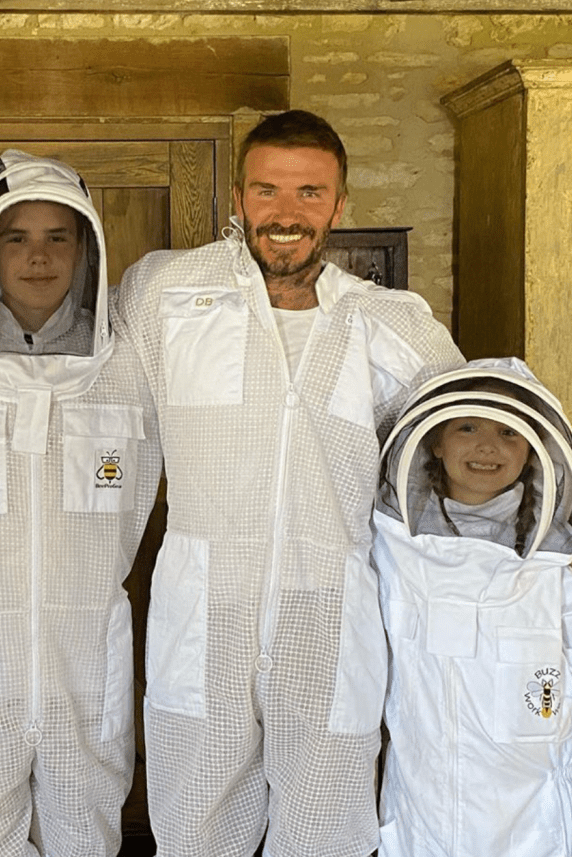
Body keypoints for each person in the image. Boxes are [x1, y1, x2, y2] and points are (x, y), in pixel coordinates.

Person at [114, 109, 465, 857]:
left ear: (341, 204)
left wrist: (565, 528)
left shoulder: (391, 325)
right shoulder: (167, 296)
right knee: (196, 829)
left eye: (310, 193)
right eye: (267, 190)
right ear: (237, 199)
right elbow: (98, 410)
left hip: (331, 619)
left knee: (327, 834)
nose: (286, 214)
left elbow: (473, 449)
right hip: (202, 612)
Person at [0, 150, 162, 857]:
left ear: (86, 250)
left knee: (85, 838)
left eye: (59, 237)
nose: (39, 256)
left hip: (87, 665)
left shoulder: (130, 364)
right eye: (16, 237)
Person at [373, 358, 572, 856]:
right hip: (419, 805)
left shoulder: (559, 556)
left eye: (509, 432)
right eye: (467, 427)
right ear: (433, 438)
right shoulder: (392, 548)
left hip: (533, 815)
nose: (487, 446)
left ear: (535, 448)